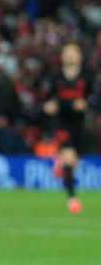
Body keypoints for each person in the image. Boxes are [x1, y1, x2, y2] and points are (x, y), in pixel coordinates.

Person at [43, 43, 89, 214]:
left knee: (74, 163)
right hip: (62, 124)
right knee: (69, 159)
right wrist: (47, 107)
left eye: (73, 53)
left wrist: (87, 104)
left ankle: (60, 164)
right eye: (67, 53)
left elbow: (93, 99)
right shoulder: (56, 78)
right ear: (62, 57)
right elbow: (47, 102)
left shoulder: (87, 77)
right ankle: (73, 200)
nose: (70, 56)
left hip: (80, 125)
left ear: (80, 57)